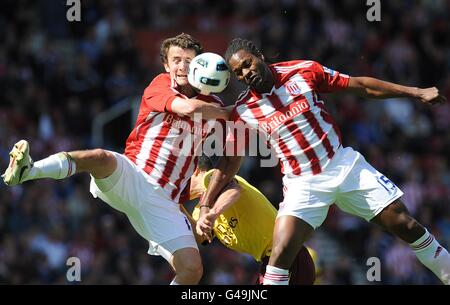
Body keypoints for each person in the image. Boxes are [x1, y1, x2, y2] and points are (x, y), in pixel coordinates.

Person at [196, 38, 450, 285]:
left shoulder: (303, 71)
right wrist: (206, 204)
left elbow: (361, 85)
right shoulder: (244, 110)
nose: (246, 73)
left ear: (260, 56)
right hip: (302, 184)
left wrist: (416, 92)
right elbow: (229, 161)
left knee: (406, 225)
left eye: (248, 64)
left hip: (343, 165)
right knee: (280, 253)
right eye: (239, 73)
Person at [2, 33, 229, 285]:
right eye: (176, 60)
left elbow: (229, 143)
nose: (182, 66)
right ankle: (28, 171)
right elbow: (188, 108)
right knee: (100, 157)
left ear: (200, 64)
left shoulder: (215, 105)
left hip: (165, 201)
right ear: (166, 65)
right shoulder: (161, 85)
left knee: (192, 270)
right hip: (134, 176)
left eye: (189, 60)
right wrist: (229, 112)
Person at [183, 156, 316, 285]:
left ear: (195, 170)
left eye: (181, 180)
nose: (180, 187)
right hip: (274, 259)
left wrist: (213, 213)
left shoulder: (212, 178)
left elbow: (234, 191)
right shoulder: (198, 210)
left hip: (286, 253)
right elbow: (201, 238)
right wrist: (176, 207)